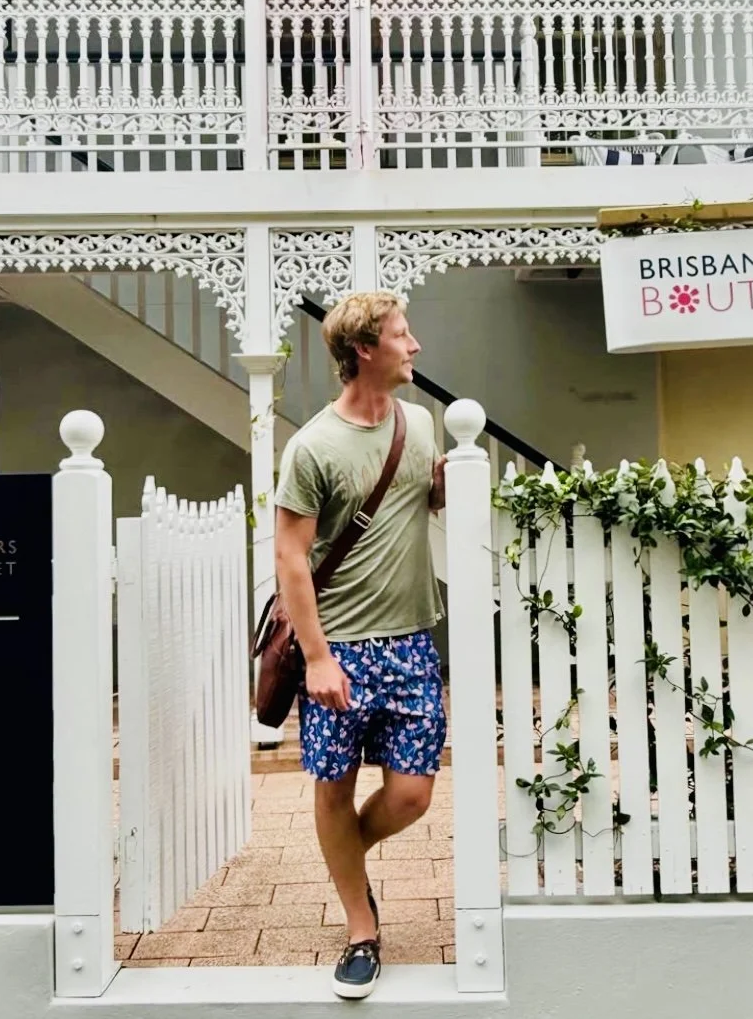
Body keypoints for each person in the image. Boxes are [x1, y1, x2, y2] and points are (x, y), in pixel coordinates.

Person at [273, 290, 447, 999]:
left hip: (410, 640)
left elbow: (426, 501)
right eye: (404, 336)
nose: (416, 347)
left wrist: (449, 488)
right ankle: (360, 928)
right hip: (340, 647)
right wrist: (316, 656)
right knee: (333, 786)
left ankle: (346, 849)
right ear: (365, 350)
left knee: (411, 794)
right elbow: (290, 556)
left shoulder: (424, 424)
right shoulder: (311, 446)